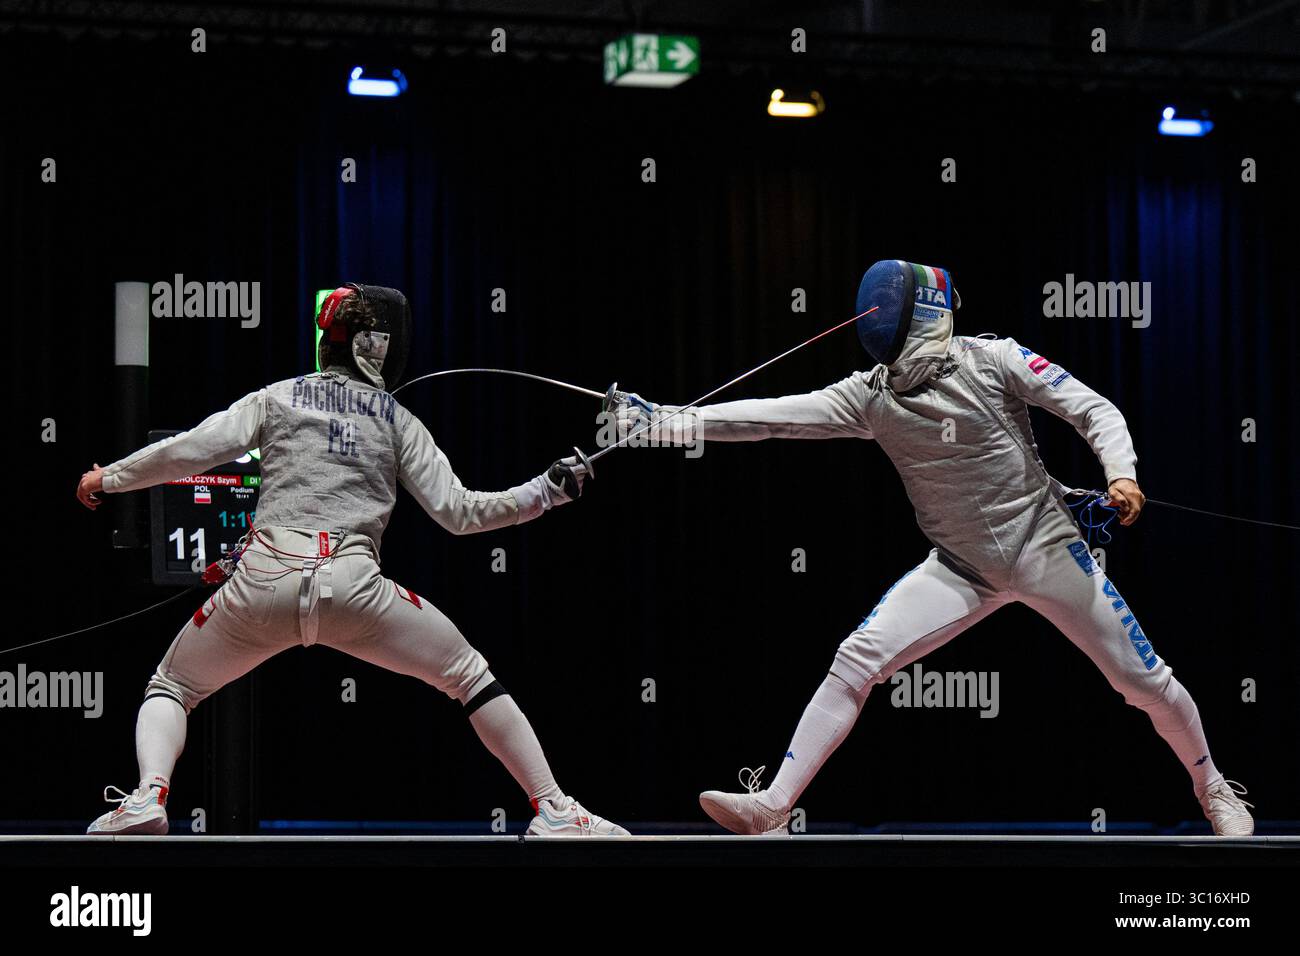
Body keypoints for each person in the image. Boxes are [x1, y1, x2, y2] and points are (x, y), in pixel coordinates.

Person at [604, 260, 1253, 837]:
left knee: (1142, 682)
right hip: (960, 566)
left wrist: (1121, 473)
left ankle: (1214, 787)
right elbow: (765, 417)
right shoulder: (869, 396)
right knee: (858, 658)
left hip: (1049, 551)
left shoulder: (994, 359)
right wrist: (661, 421)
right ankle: (774, 806)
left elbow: (1095, 409)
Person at [76, 283, 626, 837]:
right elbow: (460, 513)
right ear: (382, 346)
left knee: (172, 686)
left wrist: (109, 477)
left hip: (262, 581)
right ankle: (554, 808)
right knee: (469, 676)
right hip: (356, 590)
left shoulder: (277, 397)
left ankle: (149, 797)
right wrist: (547, 490)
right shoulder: (396, 420)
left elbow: (188, 450)